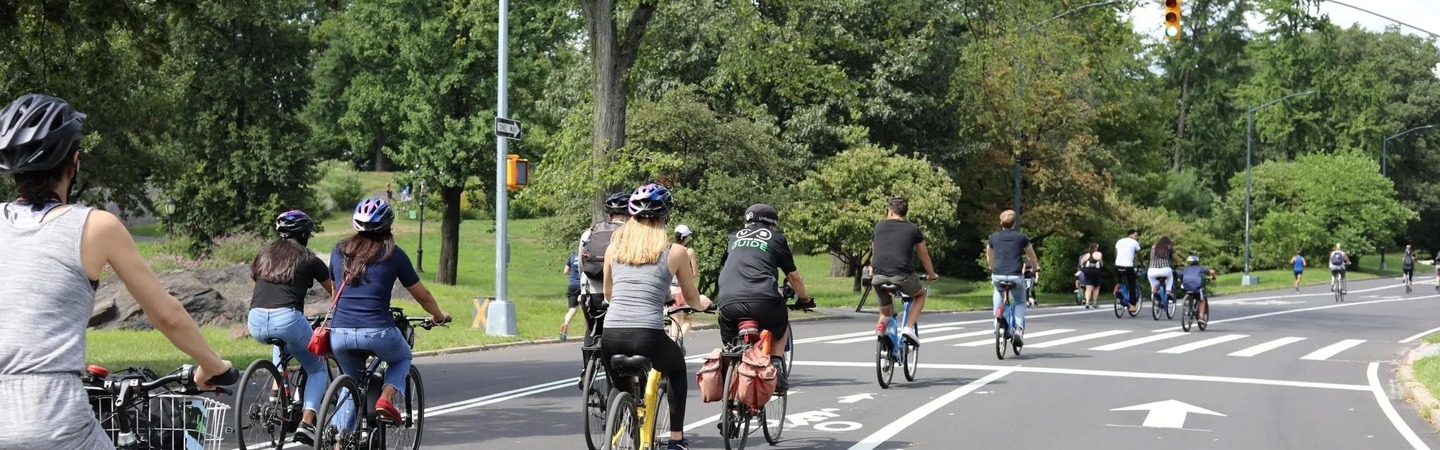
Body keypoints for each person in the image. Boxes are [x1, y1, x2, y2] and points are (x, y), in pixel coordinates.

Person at [0, 93, 235, 448]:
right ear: (74, 163)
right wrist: (214, 365)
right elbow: (167, 314)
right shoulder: (95, 226)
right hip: (52, 420)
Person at [601, 183, 705, 450]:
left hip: (611, 334)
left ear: (632, 218)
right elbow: (692, 299)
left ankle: (619, 424)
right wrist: (703, 304)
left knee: (619, 385)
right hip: (647, 335)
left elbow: (608, 293)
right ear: (664, 218)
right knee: (677, 368)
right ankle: (677, 440)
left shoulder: (615, 248)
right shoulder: (676, 252)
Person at [329, 197, 450, 423]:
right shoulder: (393, 254)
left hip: (339, 333)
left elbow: (335, 291)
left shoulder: (339, 251)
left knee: (350, 383)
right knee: (402, 357)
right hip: (378, 332)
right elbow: (423, 295)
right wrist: (438, 316)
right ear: (388, 226)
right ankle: (385, 399)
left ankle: (337, 442)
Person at [247, 210, 334, 444]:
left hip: (255, 319)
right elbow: (335, 293)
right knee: (317, 367)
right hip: (287, 318)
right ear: (304, 234)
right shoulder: (309, 258)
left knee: (280, 338)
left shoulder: (263, 254)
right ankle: (306, 423)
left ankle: (277, 391)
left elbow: (259, 286)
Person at [716, 204, 814, 393]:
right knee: (781, 322)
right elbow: (794, 277)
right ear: (773, 224)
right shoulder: (776, 239)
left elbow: (727, 267)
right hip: (763, 300)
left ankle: (729, 396)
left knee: (730, 349)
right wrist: (804, 299)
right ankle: (776, 364)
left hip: (728, 301)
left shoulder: (733, 237)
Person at [868, 197, 938, 344]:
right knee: (920, 294)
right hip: (901, 276)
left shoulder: (878, 227)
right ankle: (909, 328)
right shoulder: (913, 229)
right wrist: (931, 274)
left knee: (884, 313)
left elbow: (876, 251)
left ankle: (883, 334)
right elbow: (923, 255)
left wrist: (872, 269)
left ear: (891, 212)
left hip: (878, 276)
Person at [576, 190, 632, 341]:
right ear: (630, 214)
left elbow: (582, 266)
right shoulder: (632, 234)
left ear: (609, 215)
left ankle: (587, 362)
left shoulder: (590, 233)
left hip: (591, 292)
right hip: (620, 293)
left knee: (592, 329)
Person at [987, 210, 1040, 346]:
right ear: (1014, 223)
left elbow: (989, 256)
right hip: (1015, 275)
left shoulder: (993, 237)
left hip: (998, 275)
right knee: (1020, 302)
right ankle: (1018, 329)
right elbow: (1032, 256)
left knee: (998, 291)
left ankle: (998, 317)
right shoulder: (1022, 238)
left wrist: (993, 268)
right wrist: (1035, 269)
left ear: (1001, 222)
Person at [668, 224, 708, 341]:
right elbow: (694, 273)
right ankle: (679, 340)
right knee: (688, 319)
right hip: (682, 290)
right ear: (686, 237)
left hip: (670, 290)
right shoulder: (689, 251)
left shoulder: (669, 249)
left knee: (674, 320)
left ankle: (673, 340)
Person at [1178, 255, 1217, 324]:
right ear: (1197, 262)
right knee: (1202, 300)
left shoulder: (1185, 270)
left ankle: (1188, 304)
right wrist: (1213, 276)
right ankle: (1201, 317)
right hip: (1196, 287)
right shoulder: (1200, 268)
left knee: (1190, 293)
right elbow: (1212, 271)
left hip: (1186, 287)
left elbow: (1180, 277)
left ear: (1188, 263)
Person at [1147, 236, 1182, 306]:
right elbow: (1177, 259)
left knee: (1153, 283)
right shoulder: (1168, 247)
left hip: (1152, 270)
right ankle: (1168, 291)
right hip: (1165, 269)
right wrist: (1180, 263)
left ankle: (1153, 293)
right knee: (1170, 277)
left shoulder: (1153, 247)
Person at [1114, 229, 1143, 314]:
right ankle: (1132, 306)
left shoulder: (1119, 241)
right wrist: (1141, 262)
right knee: (1132, 284)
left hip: (1118, 265)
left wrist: (1117, 261)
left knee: (1119, 279)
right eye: (1135, 235)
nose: (1136, 237)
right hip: (1128, 266)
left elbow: (1115, 253)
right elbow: (1139, 255)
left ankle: (1118, 287)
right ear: (1130, 235)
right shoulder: (1135, 243)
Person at [560, 251, 582, 340]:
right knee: (587, 310)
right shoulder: (585, 256)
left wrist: (573, 274)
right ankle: (588, 333)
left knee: (572, 309)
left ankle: (565, 326)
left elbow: (565, 271)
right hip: (582, 285)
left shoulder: (572, 256)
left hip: (572, 285)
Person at [1079, 243, 1103, 308]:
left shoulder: (1086, 255)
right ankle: (1094, 302)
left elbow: (1081, 263)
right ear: (1096, 248)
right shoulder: (1099, 254)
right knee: (1096, 287)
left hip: (1087, 271)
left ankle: (1087, 302)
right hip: (1096, 271)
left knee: (1088, 288)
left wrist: (1083, 268)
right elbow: (1101, 263)